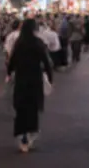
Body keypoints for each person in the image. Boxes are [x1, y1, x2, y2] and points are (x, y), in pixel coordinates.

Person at [6, 19, 54, 153]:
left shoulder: (19, 43)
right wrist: (50, 77)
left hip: (21, 79)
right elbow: (46, 61)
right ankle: (31, 134)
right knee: (33, 108)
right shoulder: (38, 43)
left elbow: (12, 61)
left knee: (21, 109)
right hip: (35, 79)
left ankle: (23, 138)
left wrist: (9, 73)